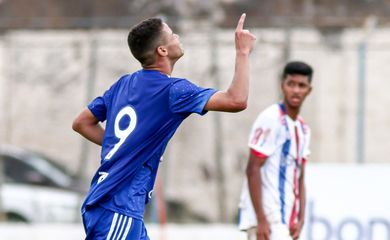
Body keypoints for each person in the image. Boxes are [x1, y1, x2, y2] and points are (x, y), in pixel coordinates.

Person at [72, 14, 256, 240]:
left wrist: (134, 147)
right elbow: (236, 100)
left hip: (113, 205)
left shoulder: (124, 83)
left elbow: (82, 123)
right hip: (118, 205)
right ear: (162, 50)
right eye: (172, 34)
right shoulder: (174, 90)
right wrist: (242, 52)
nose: (177, 36)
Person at [238, 61, 313, 240]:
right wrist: (261, 219)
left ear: (309, 90)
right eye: (291, 84)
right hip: (268, 219)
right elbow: (252, 168)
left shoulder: (303, 128)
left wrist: (301, 219)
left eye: (301, 85)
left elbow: (300, 176)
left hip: (286, 220)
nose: (296, 90)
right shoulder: (270, 118)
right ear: (282, 86)